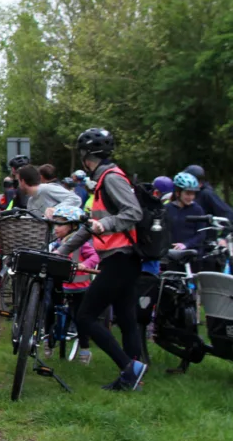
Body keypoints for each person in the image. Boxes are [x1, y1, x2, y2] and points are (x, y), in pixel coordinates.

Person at [58, 128, 147, 391]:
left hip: (120, 259)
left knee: (85, 316)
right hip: (121, 260)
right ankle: (133, 377)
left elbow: (133, 213)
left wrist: (106, 224)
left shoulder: (111, 179)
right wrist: (62, 250)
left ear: (86, 156)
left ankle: (130, 370)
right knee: (127, 318)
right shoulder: (102, 182)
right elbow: (89, 227)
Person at [49, 205, 100, 364]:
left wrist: (85, 264)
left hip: (78, 287)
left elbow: (95, 256)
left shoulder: (81, 243)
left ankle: (84, 348)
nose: (56, 228)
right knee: (49, 308)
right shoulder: (56, 243)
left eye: (60, 224)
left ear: (73, 226)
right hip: (59, 284)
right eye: (55, 224)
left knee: (80, 317)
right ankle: (47, 340)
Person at [16, 164, 81, 218]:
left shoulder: (46, 188)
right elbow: (31, 222)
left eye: (18, 181)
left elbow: (75, 199)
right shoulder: (31, 201)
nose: (18, 185)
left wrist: (55, 209)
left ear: (23, 181)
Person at [166, 172, 207, 255]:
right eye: (187, 193)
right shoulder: (167, 208)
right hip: (171, 253)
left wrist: (186, 244)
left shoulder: (197, 209)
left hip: (192, 254)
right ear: (178, 193)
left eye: (193, 194)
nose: (191, 197)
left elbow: (201, 234)